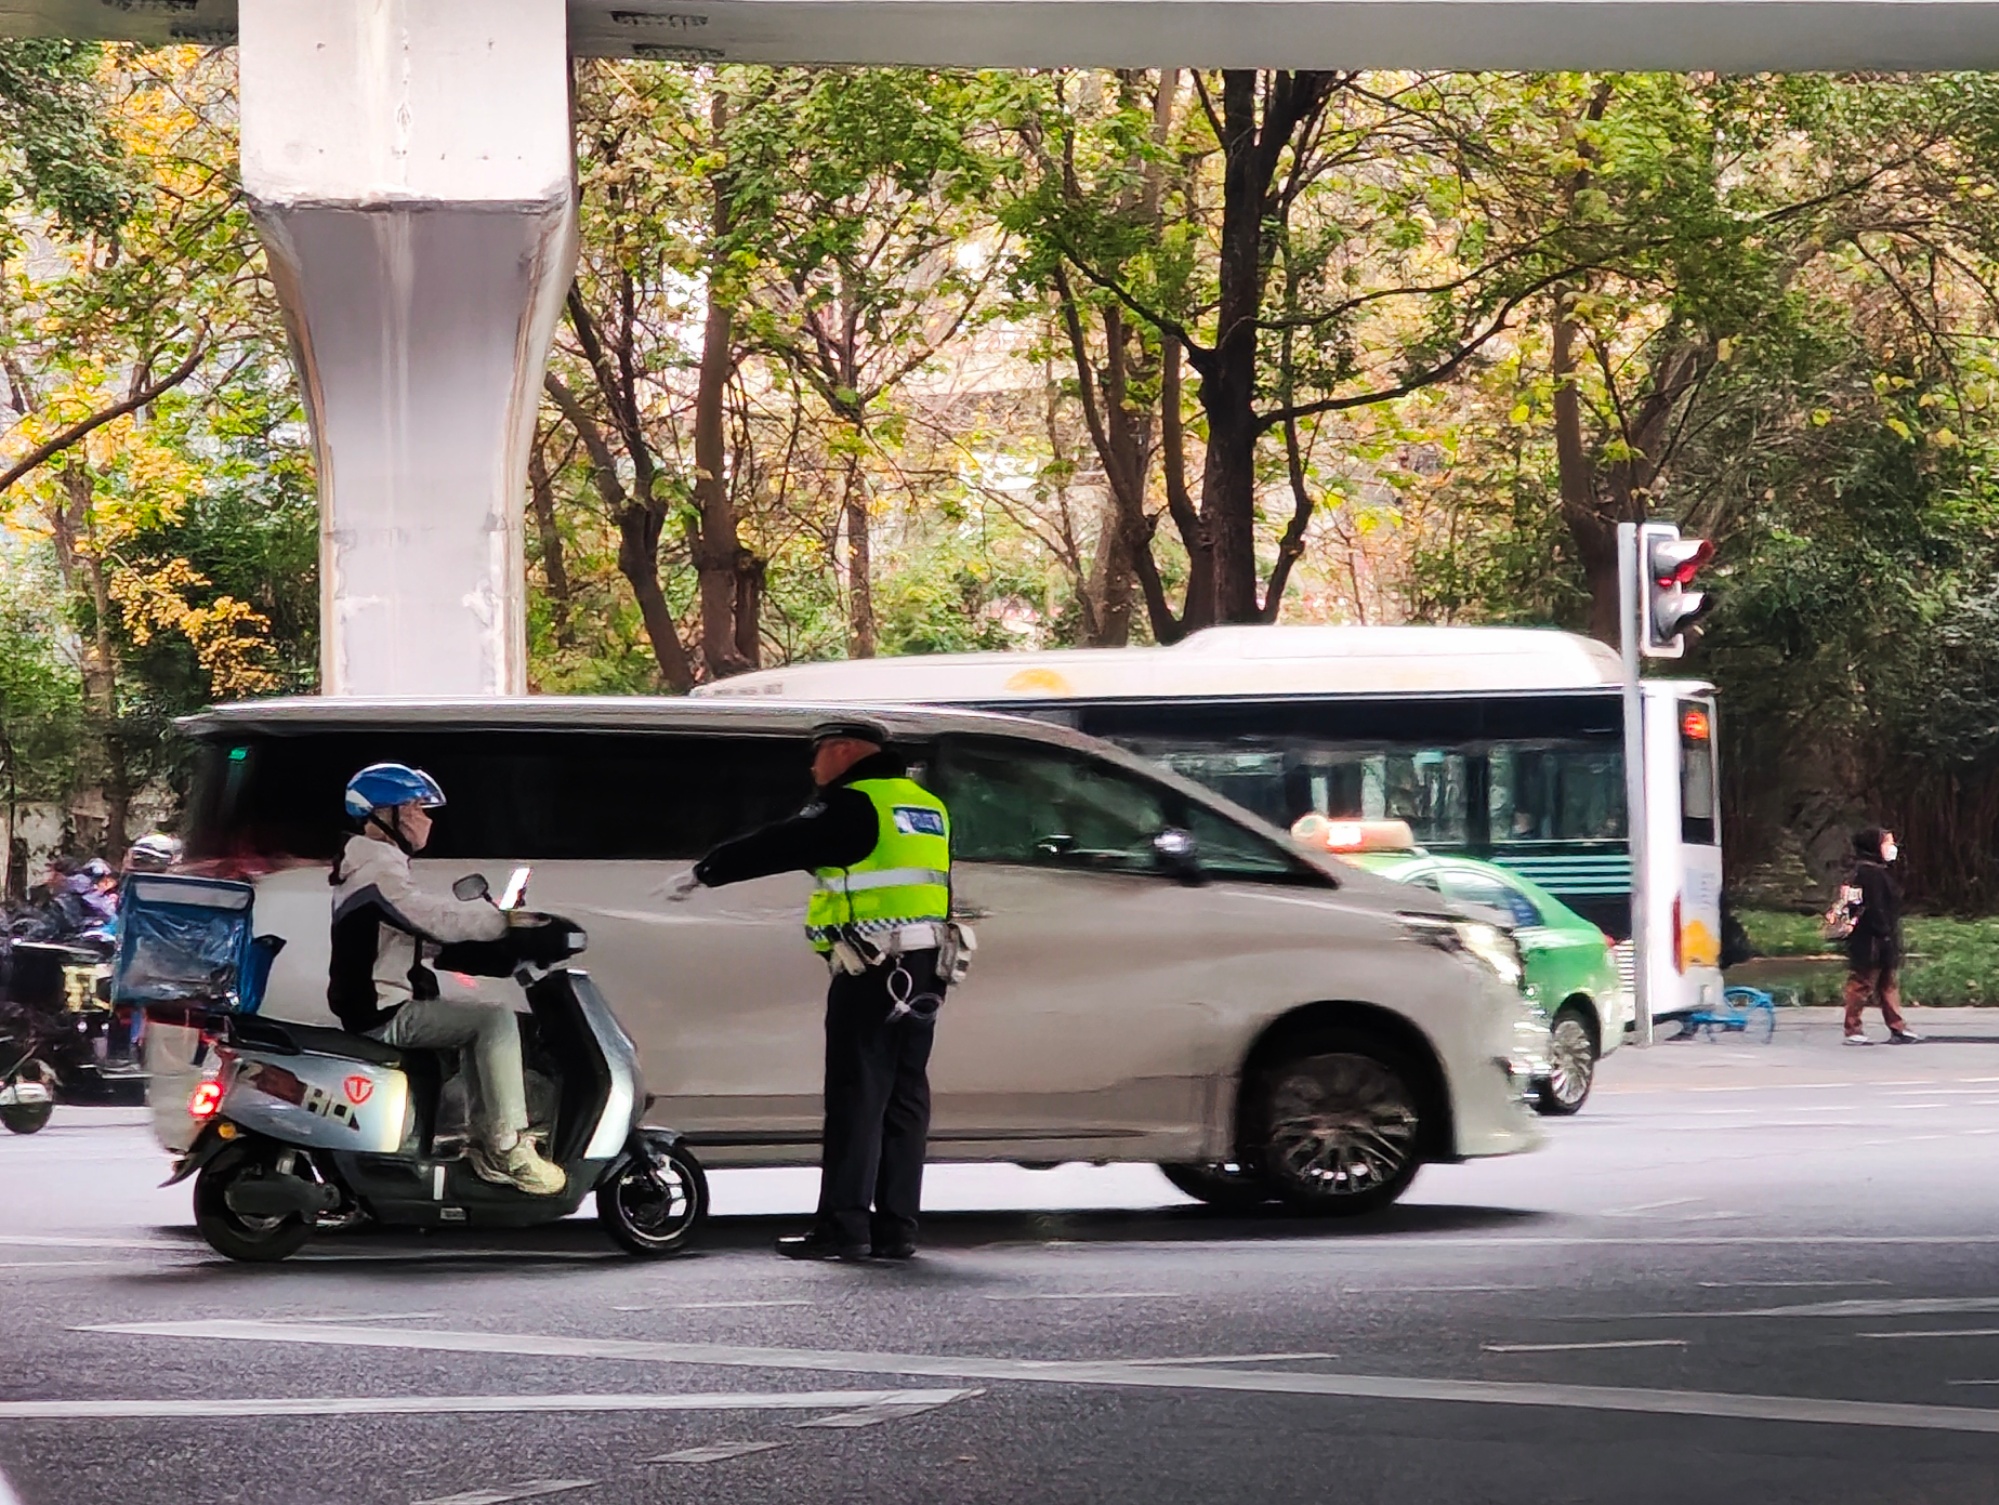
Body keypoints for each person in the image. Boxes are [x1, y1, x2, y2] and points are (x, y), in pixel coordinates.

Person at [668, 721, 953, 1261]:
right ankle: (896, 1229)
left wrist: (708, 871)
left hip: (872, 966)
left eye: (817, 755)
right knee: (904, 1095)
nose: (812, 768)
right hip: (925, 962)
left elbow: (781, 842)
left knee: (856, 1095)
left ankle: (843, 1228)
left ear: (844, 751)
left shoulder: (852, 803)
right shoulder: (924, 804)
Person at [329, 762, 566, 1195]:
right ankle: (506, 1146)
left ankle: (483, 1137)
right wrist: (507, 922)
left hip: (384, 1001)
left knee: (480, 1020)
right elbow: (435, 918)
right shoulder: (376, 872)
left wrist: (491, 953)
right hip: (381, 1010)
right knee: (492, 1021)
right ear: (386, 815)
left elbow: (417, 937)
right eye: (417, 808)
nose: (427, 819)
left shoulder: (375, 868)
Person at [1843, 826, 1920, 1046]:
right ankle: (1853, 1028)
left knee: (1887, 983)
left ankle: (1897, 1026)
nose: (1892, 848)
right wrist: (1883, 932)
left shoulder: (1872, 870)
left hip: (1881, 938)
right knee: (1862, 983)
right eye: (1888, 843)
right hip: (1871, 939)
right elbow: (1874, 907)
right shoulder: (1869, 873)